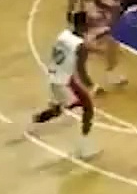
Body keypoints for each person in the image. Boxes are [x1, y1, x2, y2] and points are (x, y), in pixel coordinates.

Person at [27, 16, 100, 159]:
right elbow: (81, 70)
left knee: (60, 109)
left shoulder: (64, 35)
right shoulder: (80, 46)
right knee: (87, 108)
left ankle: (35, 121)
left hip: (56, 76)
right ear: (84, 26)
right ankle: (83, 148)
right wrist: (91, 85)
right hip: (63, 82)